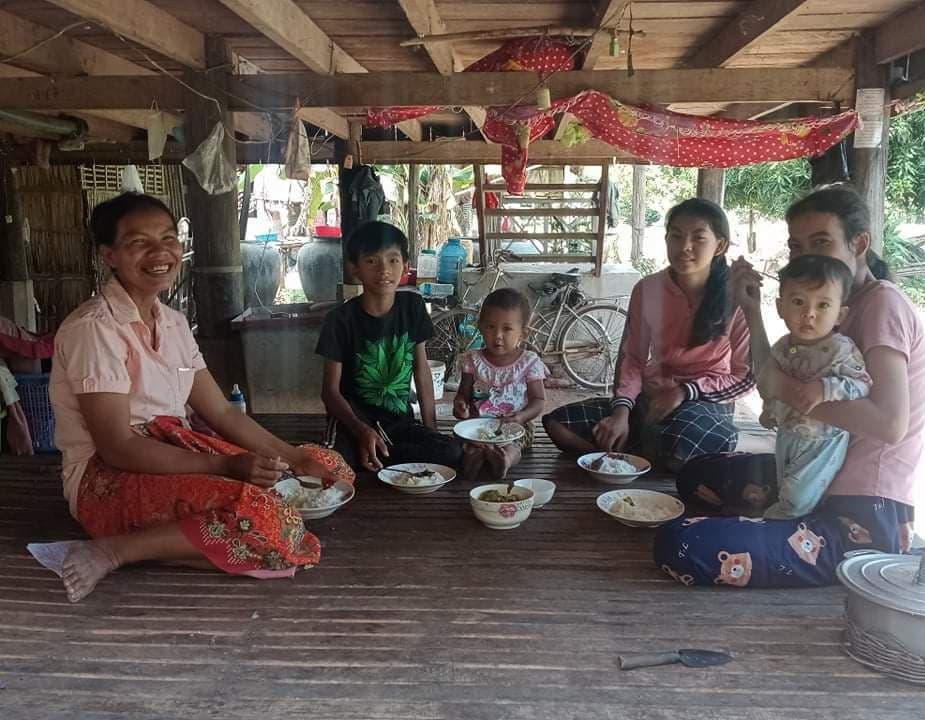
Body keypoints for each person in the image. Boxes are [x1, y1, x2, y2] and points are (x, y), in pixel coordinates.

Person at [45, 193, 355, 603]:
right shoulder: (94, 328)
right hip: (107, 478)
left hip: (178, 451)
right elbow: (117, 446)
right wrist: (223, 466)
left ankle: (191, 543)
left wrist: (295, 457)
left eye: (168, 238)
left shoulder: (173, 323)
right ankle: (114, 550)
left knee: (330, 466)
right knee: (266, 515)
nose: (160, 252)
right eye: (139, 242)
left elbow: (222, 411)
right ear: (110, 256)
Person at [655, 184, 925, 588]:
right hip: (807, 474)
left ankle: (782, 532)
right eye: (796, 247)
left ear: (859, 244)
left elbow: (890, 424)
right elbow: (771, 381)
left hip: (864, 514)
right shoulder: (828, 307)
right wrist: (751, 309)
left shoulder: (880, 304)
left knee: (680, 543)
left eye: (821, 242)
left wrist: (790, 391)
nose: (807, 257)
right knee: (696, 473)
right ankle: (776, 527)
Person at [542, 198, 755, 471]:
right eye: (675, 236)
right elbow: (633, 358)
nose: (685, 246)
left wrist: (684, 391)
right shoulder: (648, 289)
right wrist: (621, 413)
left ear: (720, 245)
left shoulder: (736, 296)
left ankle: (642, 451)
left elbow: (745, 378)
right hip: (651, 398)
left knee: (682, 440)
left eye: (698, 238)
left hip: (705, 402)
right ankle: (645, 452)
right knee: (558, 424)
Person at [318, 221, 462, 472]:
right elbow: (329, 392)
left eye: (393, 260)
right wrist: (361, 429)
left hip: (399, 423)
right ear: (354, 269)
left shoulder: (413, 307)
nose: (384, 270)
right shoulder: (340, 320)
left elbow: (422, 371)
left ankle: (384, 458)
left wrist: (431, 430)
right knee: (337, 466)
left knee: (450, 451)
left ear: (405, 266)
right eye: (371, 261)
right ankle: (386, 458)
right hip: (352, 423)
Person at [751, 255, 872, 518]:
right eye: (798, 302)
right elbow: (771, 383)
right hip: (787, 434)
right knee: (785, 483)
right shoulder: (782, 347)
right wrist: (770, 409)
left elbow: (862, 384)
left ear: (840, 315)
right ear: (780, 307)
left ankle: (780, 524)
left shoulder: (841, 349)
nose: (809, 314)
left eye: (823, 305)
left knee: (797, 498)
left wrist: (824, 388)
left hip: (823, 441)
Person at [453, 288, 548, 480]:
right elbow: (463, 394)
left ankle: (505, 461)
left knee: (513, 448)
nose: (497, 335)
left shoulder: (529, 362)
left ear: (524, 333)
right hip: (477, 427)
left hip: (516, 427)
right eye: (490, 327)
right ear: (480, 327)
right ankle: (474, 459)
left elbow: (538, 400)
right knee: (468, 444)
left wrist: (522, 416)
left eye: (507, 329)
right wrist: (461, 406)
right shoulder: (472, 360)